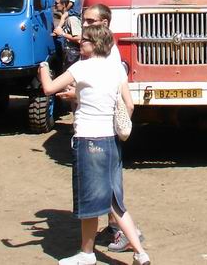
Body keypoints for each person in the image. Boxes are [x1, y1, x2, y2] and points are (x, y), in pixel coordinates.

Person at [37, 24, 150, 265]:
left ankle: (86, 254)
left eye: (85, 40)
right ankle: (140, 253)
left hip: (88, 139)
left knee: (88, 201)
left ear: (95, 44)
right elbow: (128, 105)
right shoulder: (117, 70)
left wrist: (43, 69)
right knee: (114, 201)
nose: (81, 42)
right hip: (111, 140)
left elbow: (48, 88)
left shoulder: (81, 67)